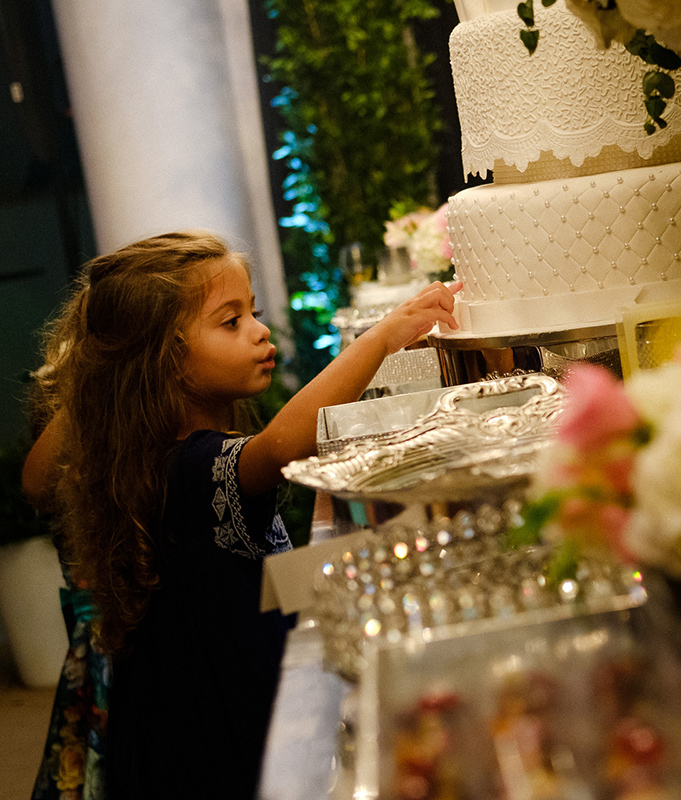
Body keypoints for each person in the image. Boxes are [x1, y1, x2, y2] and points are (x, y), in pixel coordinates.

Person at [21, 230, 460, 800]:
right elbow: (281, 447)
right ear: (163, 360)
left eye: (252, 313)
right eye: (230, 322)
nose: (259, 331)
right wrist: (379, 340)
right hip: (209, 737)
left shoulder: (171, 456)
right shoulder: (185, 468)